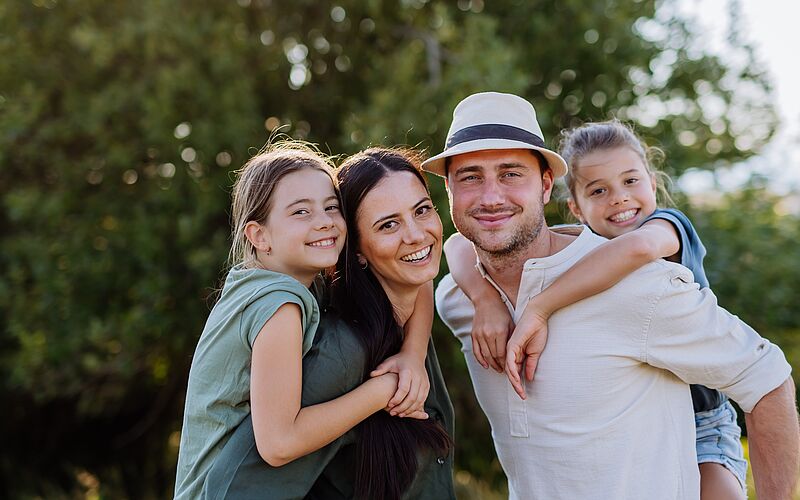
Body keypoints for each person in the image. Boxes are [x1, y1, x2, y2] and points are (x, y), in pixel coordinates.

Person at [424, 91, 799, 499]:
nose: (491, 196)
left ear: (546, 185)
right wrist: (483, 298)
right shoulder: (456, 299)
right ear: (448, 189)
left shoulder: (638, 285)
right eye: (470, 177)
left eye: (512, 173)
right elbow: (454, 250)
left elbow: (766, 378)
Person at [174, 143, 446, 499]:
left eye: (331, 207)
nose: (323, 221)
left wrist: (413, 353)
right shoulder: (280, 307)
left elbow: (419, 280)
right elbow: (278, 443)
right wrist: (384, 389)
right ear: (259, 236)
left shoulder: (283, 279)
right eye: (301, 212)